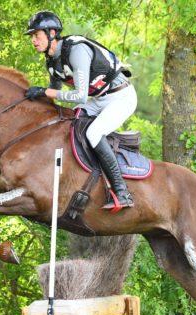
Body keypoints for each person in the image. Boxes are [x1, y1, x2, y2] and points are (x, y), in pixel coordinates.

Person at [24, 11, 137, 211]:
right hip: (101, 99)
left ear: (51, 33)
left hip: (122, 97)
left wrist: (44, 91)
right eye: (31, 36)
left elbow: (80, 96)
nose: (33, 40)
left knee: (93, 132)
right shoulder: (51, 62)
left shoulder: (77, 51)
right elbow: (55, 94)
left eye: (37, 35)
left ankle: (122, 192)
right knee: (68, 119)